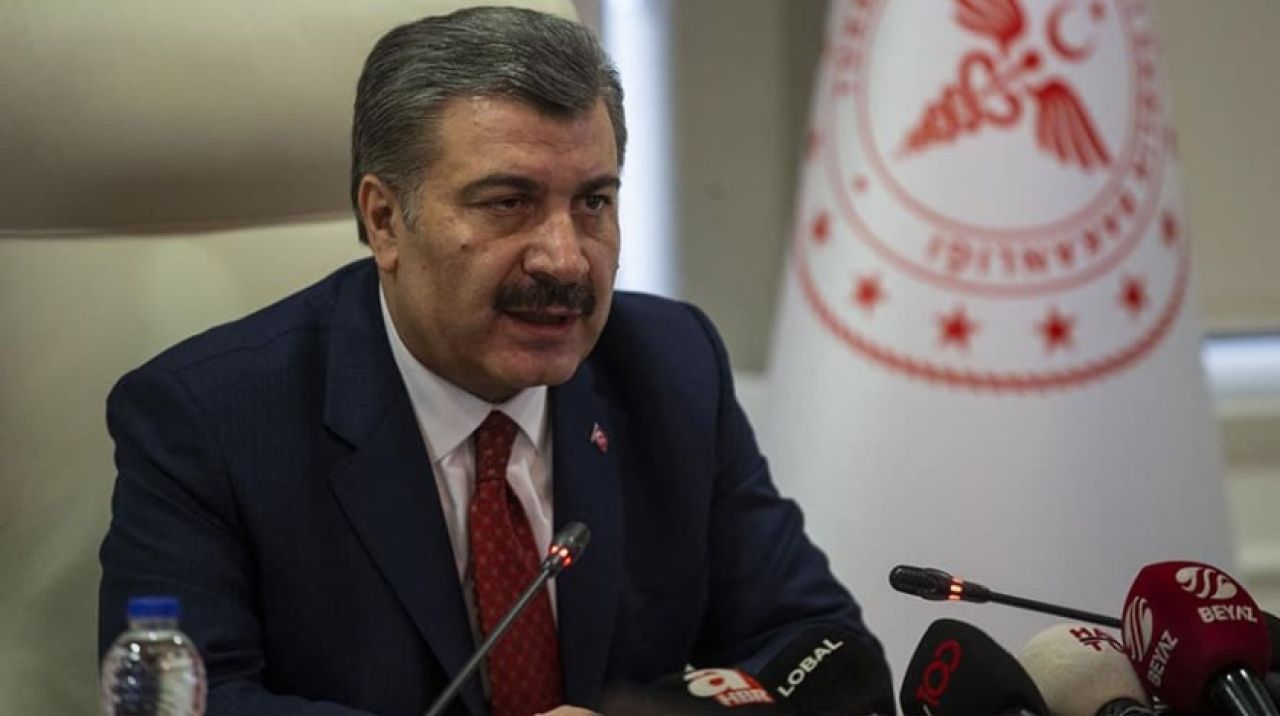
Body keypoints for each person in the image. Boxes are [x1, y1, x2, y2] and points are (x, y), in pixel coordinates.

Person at [98, 6, 886, 715]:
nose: (566, 259)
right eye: (508, 202)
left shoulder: (671, 366)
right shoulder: (209, 422)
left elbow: (825, 653)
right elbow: (186, 702)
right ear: (385, 220)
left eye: (594, 202)